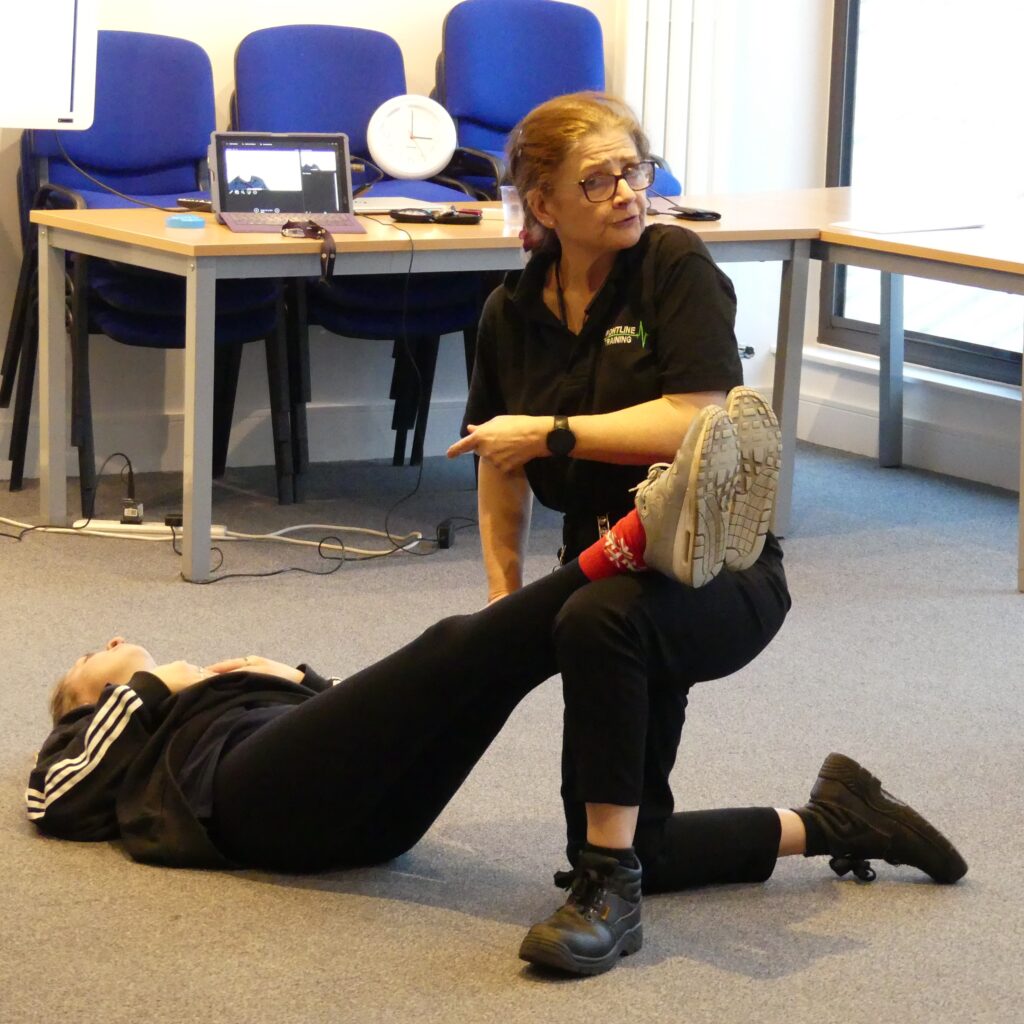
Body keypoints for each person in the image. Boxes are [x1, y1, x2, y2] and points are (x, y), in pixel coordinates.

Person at [27, 423, 966, 977]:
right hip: (246, 804)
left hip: (362, 820)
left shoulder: (207, 691)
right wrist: (159, 681)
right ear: (85, 699)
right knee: (457, 650)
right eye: (93, 657)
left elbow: (366, 718)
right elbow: (58, 799)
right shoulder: (102, 732)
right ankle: (636, 542)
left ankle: (833, 818)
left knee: (503, 690)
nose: (110, 645)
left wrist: (272, 676)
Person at [442, 90, 931, 974]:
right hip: (600, 564)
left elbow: (697, 418)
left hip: (720, 570)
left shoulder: (674, 263)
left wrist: (551, 432)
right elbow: (496, 464)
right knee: (628, 831)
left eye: (637, 168)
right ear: (544, 204)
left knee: (596, 624)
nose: (629, 191)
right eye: (599, 179)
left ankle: (609, 906)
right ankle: (834, 821)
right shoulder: (508, 315)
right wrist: (501, 602)